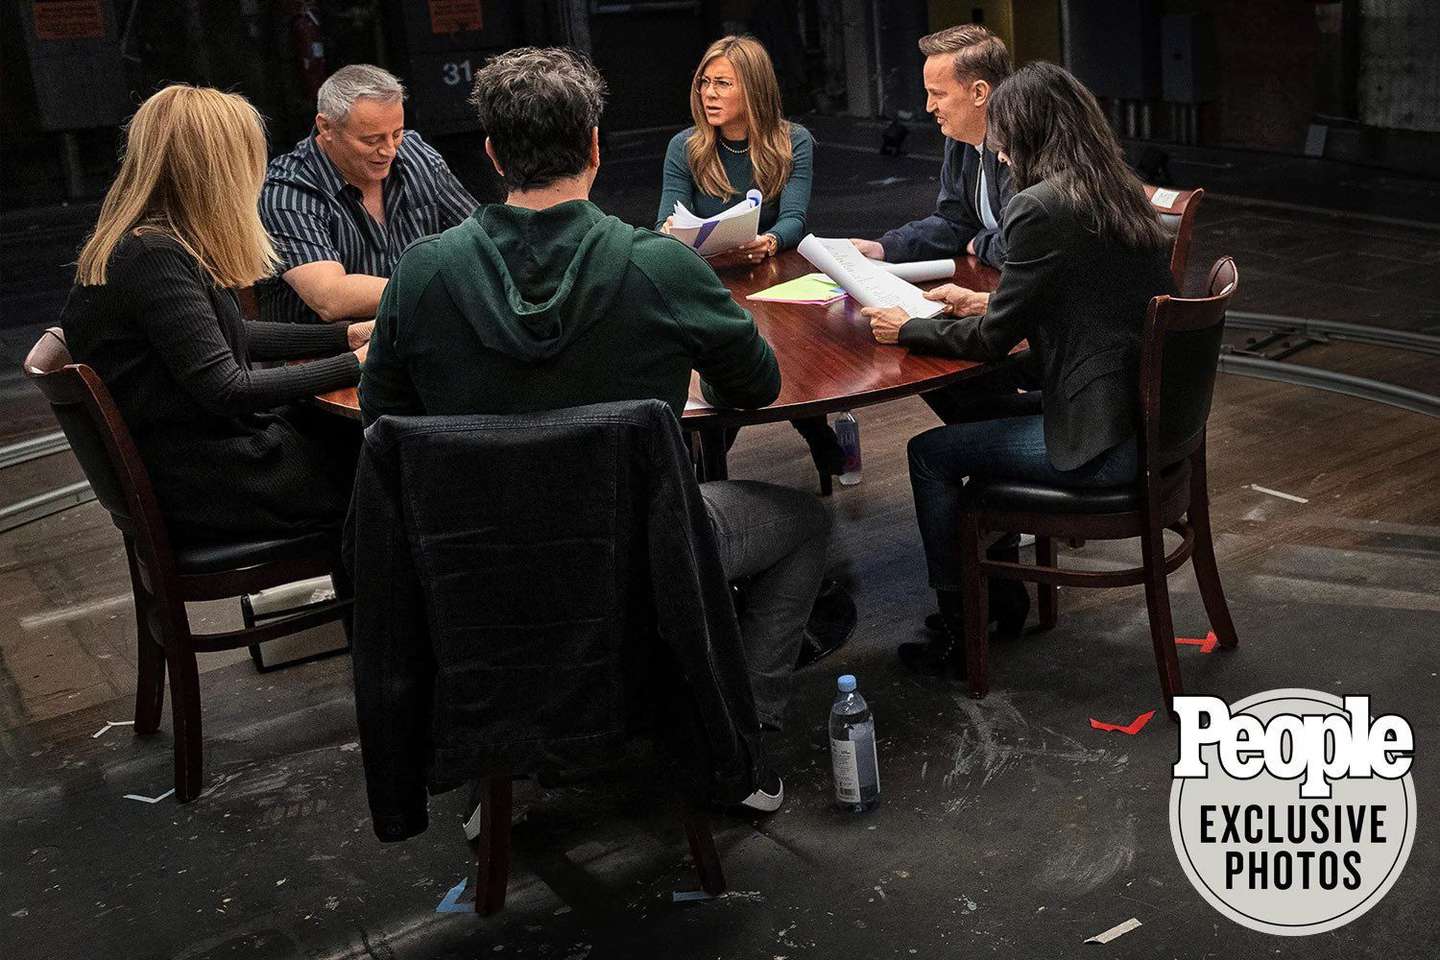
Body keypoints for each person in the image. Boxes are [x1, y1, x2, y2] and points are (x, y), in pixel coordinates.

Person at [360, 47, 853, 811]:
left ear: (492, 153)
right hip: (643, 559)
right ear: (594, 146)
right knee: (807, 525)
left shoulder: (421, 274)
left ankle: (498, 771)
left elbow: (383, 420)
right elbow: (754, 385)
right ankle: (738, 739)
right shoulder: (659, 267)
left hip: (477, 567)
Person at [860, 62, 1177, 676]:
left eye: (1003, 138)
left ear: (1028, 133)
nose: (1000, 155)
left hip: (1104, 443)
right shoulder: (1115, 189)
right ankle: (1000, 594)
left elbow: (991, 341)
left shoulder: (1041, 205)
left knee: (931, 454)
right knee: (973, 408)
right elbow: (1089, 309)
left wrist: (907, 328)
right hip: (1141, 419)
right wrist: (987, 306)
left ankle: (962, 629)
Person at [61, 85, 372, 543]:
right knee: (397, 465)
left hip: (205, 460)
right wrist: (357, 364)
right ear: (217, 171)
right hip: (213, 480)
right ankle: (386, 586)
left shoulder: (151, 242)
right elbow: (228, 388)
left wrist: (347, 337)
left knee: (369, 447)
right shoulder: (153, 256)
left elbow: (229, 335)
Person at [656, 35, 842, 478]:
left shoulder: (792, 140)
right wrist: (670, 231)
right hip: (709, 276)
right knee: (731, 354)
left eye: (722, 83)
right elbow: (664, 219)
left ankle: (810, 430)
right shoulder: (686, 145)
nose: (709, 94)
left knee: (788, 348)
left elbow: (795, 218)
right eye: (704, 83)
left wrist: (770, 241)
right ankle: (714, 463)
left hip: (770, 271)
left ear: (754, 88)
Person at [257, 64, 477, 324]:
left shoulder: (417, 156)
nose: (389, 150)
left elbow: (480, 241)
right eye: (372, 140)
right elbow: (330, 297)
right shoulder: (289, 189)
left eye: (396, 134)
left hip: (422, 332)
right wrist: (442, 290)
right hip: (330, 346)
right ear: (326, 127)